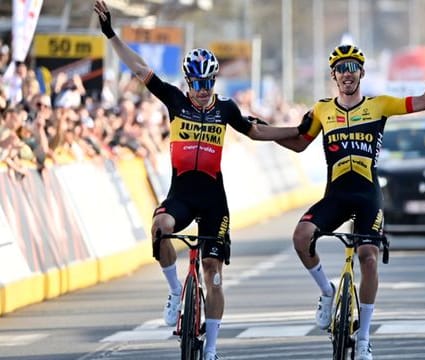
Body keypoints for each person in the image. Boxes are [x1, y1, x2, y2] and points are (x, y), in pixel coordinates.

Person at [93, 2, 301, 359]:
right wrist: (111, 33)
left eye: (208, 83)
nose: (203, 89)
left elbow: (257, 132)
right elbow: (140, 67)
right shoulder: (174, 100)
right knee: (160, 227)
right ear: (188, 82)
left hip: (213, 202)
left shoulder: (226, 109)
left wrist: (299, 130)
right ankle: (175, 291)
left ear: (214, 81)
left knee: (212, 273)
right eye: (197, 83)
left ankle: (212, 349)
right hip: (182, 195)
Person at [275, 37, 425, 360]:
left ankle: (363, 340)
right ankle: (327, 293)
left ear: (361, 73)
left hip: (367, 196)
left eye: (352, 68)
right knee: (301, 237)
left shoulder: (379, 105)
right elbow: (299, 141)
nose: (347, 74)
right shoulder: (321, 110)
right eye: (341, 69)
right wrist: (257, 131)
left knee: (368, 256)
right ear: (334, 76)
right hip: (336, 196)